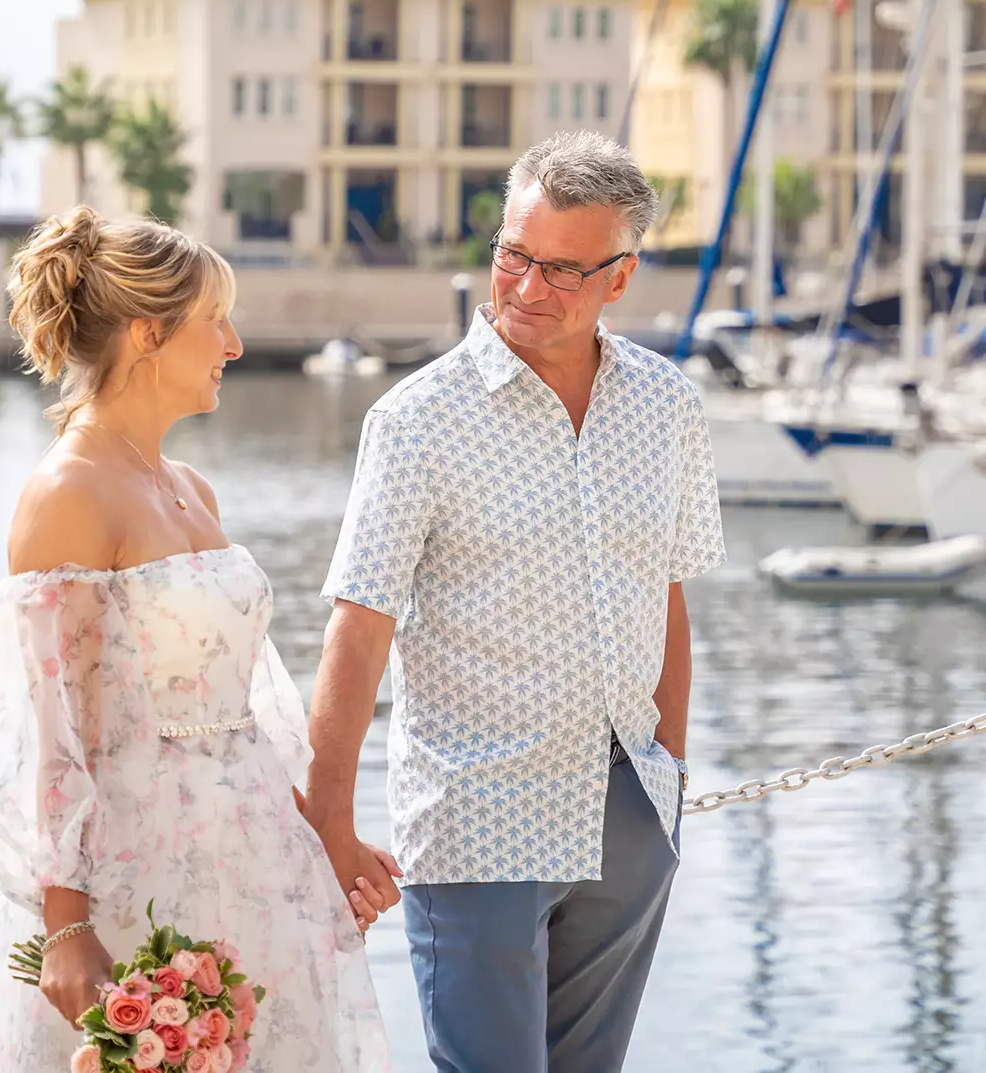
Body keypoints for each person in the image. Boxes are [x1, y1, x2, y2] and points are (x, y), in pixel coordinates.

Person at [304, 131, 727, 1073]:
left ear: (620, 277)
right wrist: (327, 822)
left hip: (627, 810)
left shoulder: (668, 407)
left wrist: (671, 778)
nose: (529, 288)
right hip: (475, 820)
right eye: (514, 256)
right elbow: (358, 629)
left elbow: (670, 595)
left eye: (563, 270)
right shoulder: (415, 422)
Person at [0, 206, 390, 1073]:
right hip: (131, 873)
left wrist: (320, 836)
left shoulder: (190, 486)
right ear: (150, 334)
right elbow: (50, 732)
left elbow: (244, 699)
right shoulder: (68, 494)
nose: (232, 343)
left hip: (256, 858)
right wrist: (68, 923)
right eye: (214, 322)